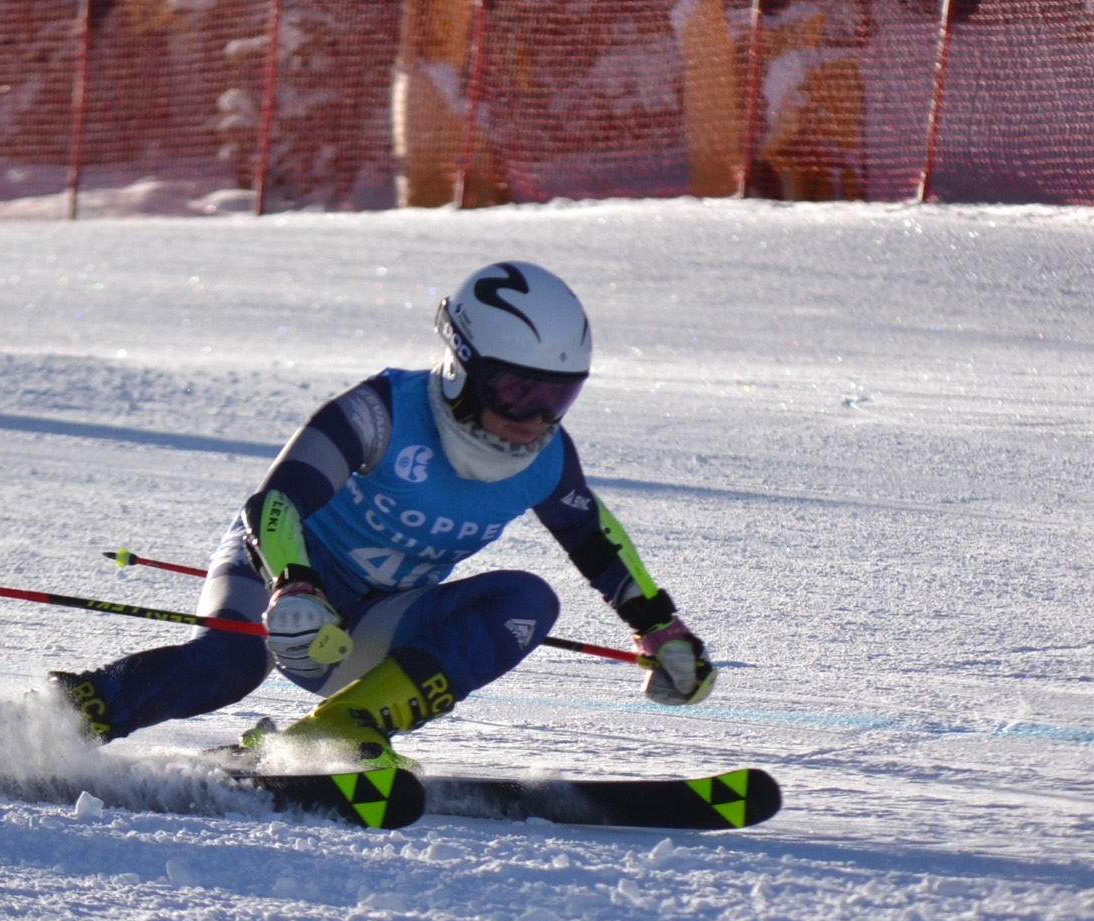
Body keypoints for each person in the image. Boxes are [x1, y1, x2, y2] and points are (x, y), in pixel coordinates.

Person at [48, 261, 716, 764]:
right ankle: (70, 715)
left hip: (372, 622)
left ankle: (339, 731)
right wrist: (295, 585)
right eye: (517, 392)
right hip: (277, 577)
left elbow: (595, 542)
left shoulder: (544, 458)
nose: (536, 419)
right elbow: (276, 503)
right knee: (229, 665)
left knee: (526, 602)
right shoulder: (381, 413)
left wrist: (662, 628)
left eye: (558, 399)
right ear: (462, 369)